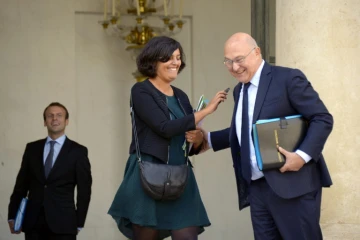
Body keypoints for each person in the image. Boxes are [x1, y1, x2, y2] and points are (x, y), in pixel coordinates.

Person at [201, 32, 333, 239]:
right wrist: (208, 139)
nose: (234, 67)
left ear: (257, 52)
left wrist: (302, 156)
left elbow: (322, 118)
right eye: (228, 61)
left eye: (239, 59)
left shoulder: (288, 78)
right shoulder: (239, 90)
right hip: (257, 188)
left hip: (293, 184)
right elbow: (248, 130)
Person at [107, 36, 228, 240]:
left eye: (178, 57)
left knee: (187, 234)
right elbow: (165, 128)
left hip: (181, 174)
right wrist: (207, 111)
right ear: (153, 60)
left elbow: (190, 143)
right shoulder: (140, 90)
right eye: (168, 58)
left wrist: (197, 137)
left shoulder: (181, 96)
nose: (175, 62)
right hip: (148, 173)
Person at [8, 102, 92, 240]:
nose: (54, 119)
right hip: (33, 223)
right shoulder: (32, 149)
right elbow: (21, 185)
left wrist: (79, 222)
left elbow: (84, 190)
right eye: (50, 116)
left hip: (64, 224)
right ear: (44, 122)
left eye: (59, 115)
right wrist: (12, 215)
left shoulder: (78, 151)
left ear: (66, 121)